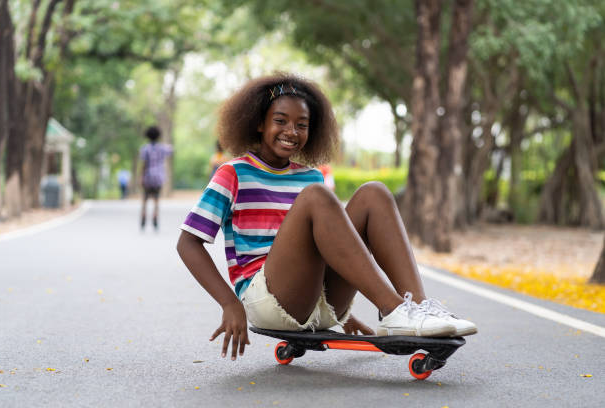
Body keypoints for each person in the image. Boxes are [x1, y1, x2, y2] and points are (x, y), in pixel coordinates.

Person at [176, 73, 476, 361]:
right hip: (266, 297)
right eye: (280, 121)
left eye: (302, 124)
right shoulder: (233, 173)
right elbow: (188, 243)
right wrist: (229, 304)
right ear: (258, 123)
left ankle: (418, 308)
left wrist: (342, 314)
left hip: (315, 298)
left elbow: (332, 249)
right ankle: (394, 309)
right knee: (317, 197)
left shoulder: (311, 177)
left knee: (374, 193)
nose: (291, 131)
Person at [139, 126, 173, 229]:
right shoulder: (162, 148)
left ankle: (144, 215)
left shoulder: (145, 149)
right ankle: (155, 215)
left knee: (145, 198)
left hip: (148, 176)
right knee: (156, 198)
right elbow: (171, 150)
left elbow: (144, 164)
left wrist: (141, 176)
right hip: (158, 177)